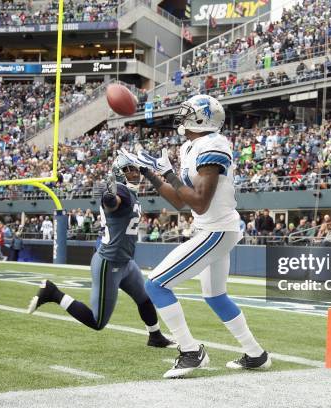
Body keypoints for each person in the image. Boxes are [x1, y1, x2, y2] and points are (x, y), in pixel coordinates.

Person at [120, 94, 270, 378]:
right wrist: (150, 173)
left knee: (156, 285)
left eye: (189, 112)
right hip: (214, 227)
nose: (182, 116)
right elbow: (180, 200)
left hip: (216, 228)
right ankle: (256, 354)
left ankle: (190, 351)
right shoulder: (192, 146)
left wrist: (169, 173)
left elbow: (199, 202)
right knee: (215, 295)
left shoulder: (213, 145)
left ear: (202, 118)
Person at [28, 156, 174, 349]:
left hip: (125, 262)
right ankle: (53, 293)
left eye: (135, 169)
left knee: (144, 298)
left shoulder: (132, 192)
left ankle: (155, 336)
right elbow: (111, 203)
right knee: (98, 322)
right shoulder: (120, 190)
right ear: (118, 174)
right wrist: (109, 196)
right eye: (129, 169)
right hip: (109, 262)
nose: (135, 173)